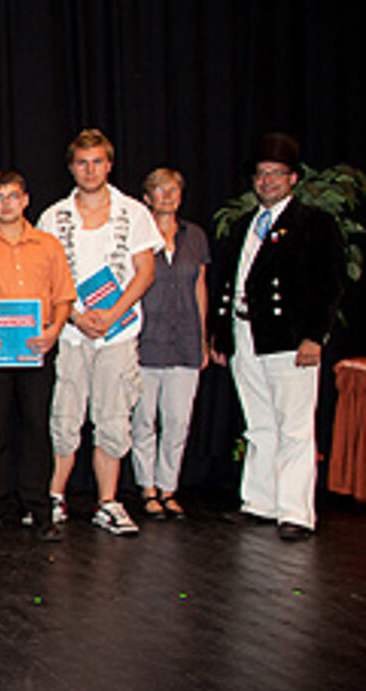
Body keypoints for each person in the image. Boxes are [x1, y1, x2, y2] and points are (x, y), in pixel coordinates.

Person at [210, 134, 346, 541]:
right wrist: (220, 334)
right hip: (245, 331)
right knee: (259, 423)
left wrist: (314, 336)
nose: (267, 181)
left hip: (288, 338)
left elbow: (330, 284)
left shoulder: (313, 224)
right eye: (261, 174)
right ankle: (260, 502)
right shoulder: (244, 225)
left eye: (276, 174)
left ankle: (296, 512)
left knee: (294, 425)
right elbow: (228, 283)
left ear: (293, 179)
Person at [37, 129, 160, 536]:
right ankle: (55, 497)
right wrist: (74, 316)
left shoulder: (135, 213)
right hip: (72, 333)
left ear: (109, 165)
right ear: (71, 167)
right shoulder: (53, 217)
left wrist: (112, 313)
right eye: (81, 162)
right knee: (65, 416)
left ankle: (108, 502)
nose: (89, 170)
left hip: (118, 334)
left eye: (97, 162)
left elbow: (146, 272)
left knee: (112, 418)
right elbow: (45, 279)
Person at [0, 171, 74, 541]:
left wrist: (53, 332)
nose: (6, 203)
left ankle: (39, 508)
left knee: (35, 427)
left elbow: (63, 297)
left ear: (26, 200)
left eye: (13, 196)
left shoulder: (48, 245)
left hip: (36, 350)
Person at [130, 167, 209, 522]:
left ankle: (169, 488)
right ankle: (146, 488)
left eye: (173, 190)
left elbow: (199, 288)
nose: (167, 196)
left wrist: (203, 338)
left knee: (177, 421)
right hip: (147, 341)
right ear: (147, 198)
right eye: (159, 190)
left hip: (185, 341)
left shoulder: (195, 236)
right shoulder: (137, 237)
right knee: (144, 420)